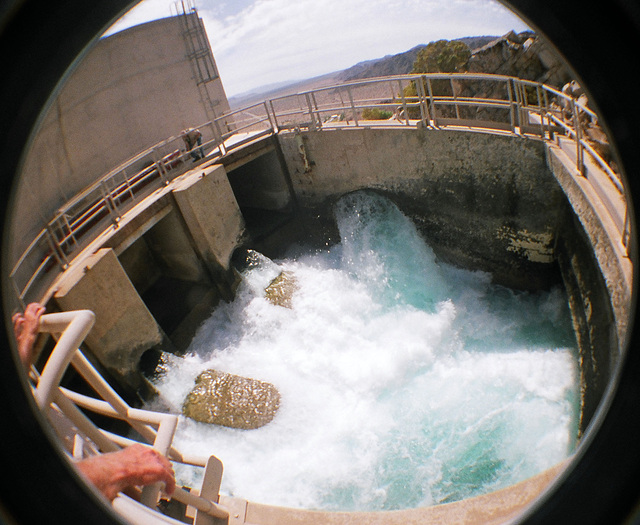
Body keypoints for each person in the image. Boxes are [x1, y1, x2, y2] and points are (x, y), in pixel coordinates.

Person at [12, 303, 176, 502]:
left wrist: (23, 347)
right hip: (51, 461)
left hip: (44, 426)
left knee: (92, 456)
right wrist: (122, 468)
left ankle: (146, 504)